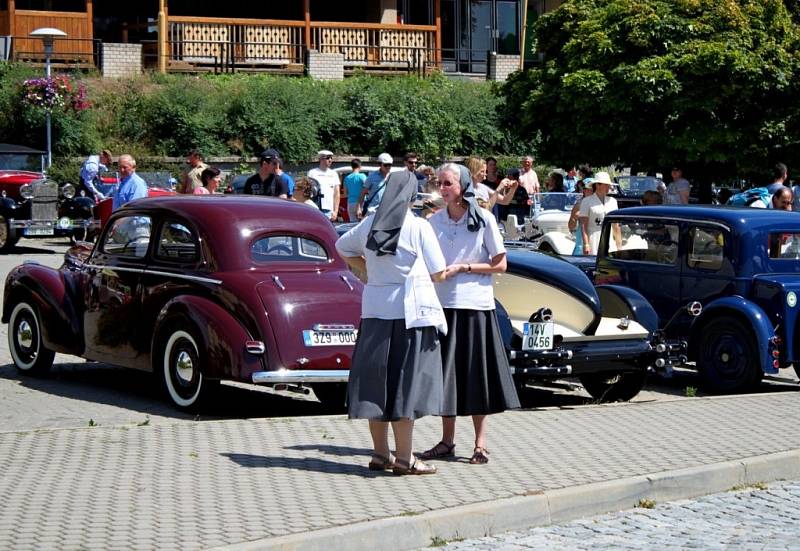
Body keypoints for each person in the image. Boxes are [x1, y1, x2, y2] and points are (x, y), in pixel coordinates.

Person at [336, 171, 447, 476]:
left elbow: (342, 247)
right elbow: (439, 273)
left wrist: (366, 272)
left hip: (374, 312)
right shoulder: (419, 226)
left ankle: (380, 453)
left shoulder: (369, 223)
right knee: (404, 387)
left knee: (376, 385)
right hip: (411, 314)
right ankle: (405, 458)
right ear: (412, 197)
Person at [420, 163, 520, 465]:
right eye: (440, 183)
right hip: (444, 306)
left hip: (476, 306)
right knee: (446, 375)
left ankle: (480, 444)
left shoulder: (485, 219)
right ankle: (447, 441)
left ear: (462, 185)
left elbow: (501, 264)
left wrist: (465, 267)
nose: (442, 188)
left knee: (477, 375)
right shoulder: (433, 222)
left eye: (448, 183)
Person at [579, 171, 621, 255]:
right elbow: (583, 226)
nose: (608, 187)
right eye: (606, 184)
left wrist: (619, 246)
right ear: (597, 185)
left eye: (608, 185)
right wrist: (586, 244)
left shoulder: (613, 201)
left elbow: (616, 226)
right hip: (593, 240)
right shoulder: (586, 201)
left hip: (610, 242)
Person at [307, 149, 341, 221]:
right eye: (328, 158)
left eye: (331, 158)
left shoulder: (333, 174)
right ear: (321, 159)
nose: (330, 160)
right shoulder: (312, 173)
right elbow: (307, 191)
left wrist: (336, 211)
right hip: (314, 208)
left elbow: (337, 193)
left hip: (329, 210)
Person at [358, 153, 393, 218]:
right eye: (386, 165)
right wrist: (359, 208)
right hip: (373, 211)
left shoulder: (393, 176)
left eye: (390, 165)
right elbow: (363, 193)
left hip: (387, 212)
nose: (388, 167)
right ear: (380, 164)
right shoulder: (372, 176)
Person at [568, 179, 593, 255]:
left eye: (592, 189)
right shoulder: (579, 205)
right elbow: (571, 227)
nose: (591, 191)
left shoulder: (599, 203)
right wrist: (574, 218)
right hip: (581, 244)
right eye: (587, 189)